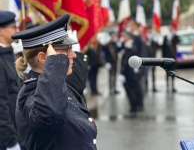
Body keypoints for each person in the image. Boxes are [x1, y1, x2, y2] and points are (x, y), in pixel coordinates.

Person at [13, 14, 97, 150]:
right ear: (43, 58)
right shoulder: (31, 94)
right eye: (66, 50)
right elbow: (50, 112)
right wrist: (54, 64)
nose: (74, 55)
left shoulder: (59, 86)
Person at [0, 11, 21, 150]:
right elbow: (1, 102)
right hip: (7, 137)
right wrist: (11, 141)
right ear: (1, 31)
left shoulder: (10, 53)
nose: (17, 30)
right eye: (13, 27)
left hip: (18, 129)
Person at [120, 31, 144, 118]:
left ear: (129, 37)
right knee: (134, 89)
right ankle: (137, 106)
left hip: (129, 73)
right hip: (129, 72)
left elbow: (126, 62)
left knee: (131, 91)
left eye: (125, 36)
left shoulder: (130, 47)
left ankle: (133, 109)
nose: (123, 38)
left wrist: (122, 73)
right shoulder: (127, 46)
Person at [162, 24, 179, 92]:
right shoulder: (165, 37)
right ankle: (167, 86)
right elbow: (163, 47)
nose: (170, 28)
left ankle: (172, 86)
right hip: (167, 57)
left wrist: (173, 35)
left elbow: (178, 41)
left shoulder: (174, 36)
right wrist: (163, 57)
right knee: (166, 72)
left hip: (173, 57)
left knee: (173, 72)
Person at [102, 31, 120, 95]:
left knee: (115, 75)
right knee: (110, 76)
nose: (113, 36)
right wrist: (106, 62)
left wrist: (120, 45)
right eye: (112, 35)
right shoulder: (107, 44)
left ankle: (114, 88)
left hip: (115, 61)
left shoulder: (114, 43)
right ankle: (110, 89)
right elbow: (104, 54)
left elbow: (118, 50)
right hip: (110, 62)